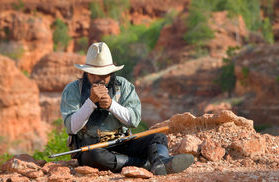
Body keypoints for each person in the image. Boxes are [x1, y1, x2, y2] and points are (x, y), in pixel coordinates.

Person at [60, 42, 194, 175]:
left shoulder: (123, 86)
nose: (98, 79)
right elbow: (72, 127)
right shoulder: (73, 90)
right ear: (86, 72)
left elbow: (133, 120)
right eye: (93, 75)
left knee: (157, 137)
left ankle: (162, 161)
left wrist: (111, 105)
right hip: (93, 147)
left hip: (122, 142)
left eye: (103, 75)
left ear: (112, 72)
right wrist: (90, 103)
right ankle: (147, 164)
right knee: (94, 156)